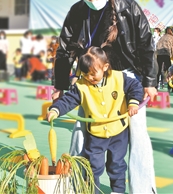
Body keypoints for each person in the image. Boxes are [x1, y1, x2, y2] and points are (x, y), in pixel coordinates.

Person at [52, 0, 157, 193]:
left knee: (137, 133)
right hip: (91, 78)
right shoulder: (77, 11)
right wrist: (59, 85)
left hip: (125, 78)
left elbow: (146, 45)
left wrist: (149, 82)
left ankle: (142, 188)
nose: (90, 0)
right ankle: (80, 184)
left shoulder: (127, 7)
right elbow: (63, 48)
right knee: (82, 129)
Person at [47, 46, 142, 194]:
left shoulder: (118, 78)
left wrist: (133, 102)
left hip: (118, 132)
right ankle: (92, 190)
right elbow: (69, 100)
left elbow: (135, 86)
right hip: (96, 133)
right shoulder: (81, 86)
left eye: (92, 73)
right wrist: (55, 109)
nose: (89, 78)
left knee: (116, 164)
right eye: (85, 74)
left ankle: (118, 191)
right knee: (92, 166)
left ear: (105, 67)